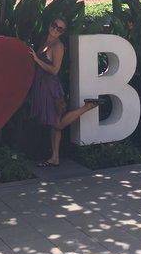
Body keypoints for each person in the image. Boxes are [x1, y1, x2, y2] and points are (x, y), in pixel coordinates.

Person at [29, 17, 102, 167]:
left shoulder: (57, 46)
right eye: (54, 25)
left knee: (57, 123)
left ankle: (87, 107)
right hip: (42, 85)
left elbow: (55, 70)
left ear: (63, 32)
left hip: (50, 87)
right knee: (53, 123)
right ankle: (55, 157)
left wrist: (36, 60)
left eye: (60, 28)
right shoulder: (45, 41)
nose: (55, 29)